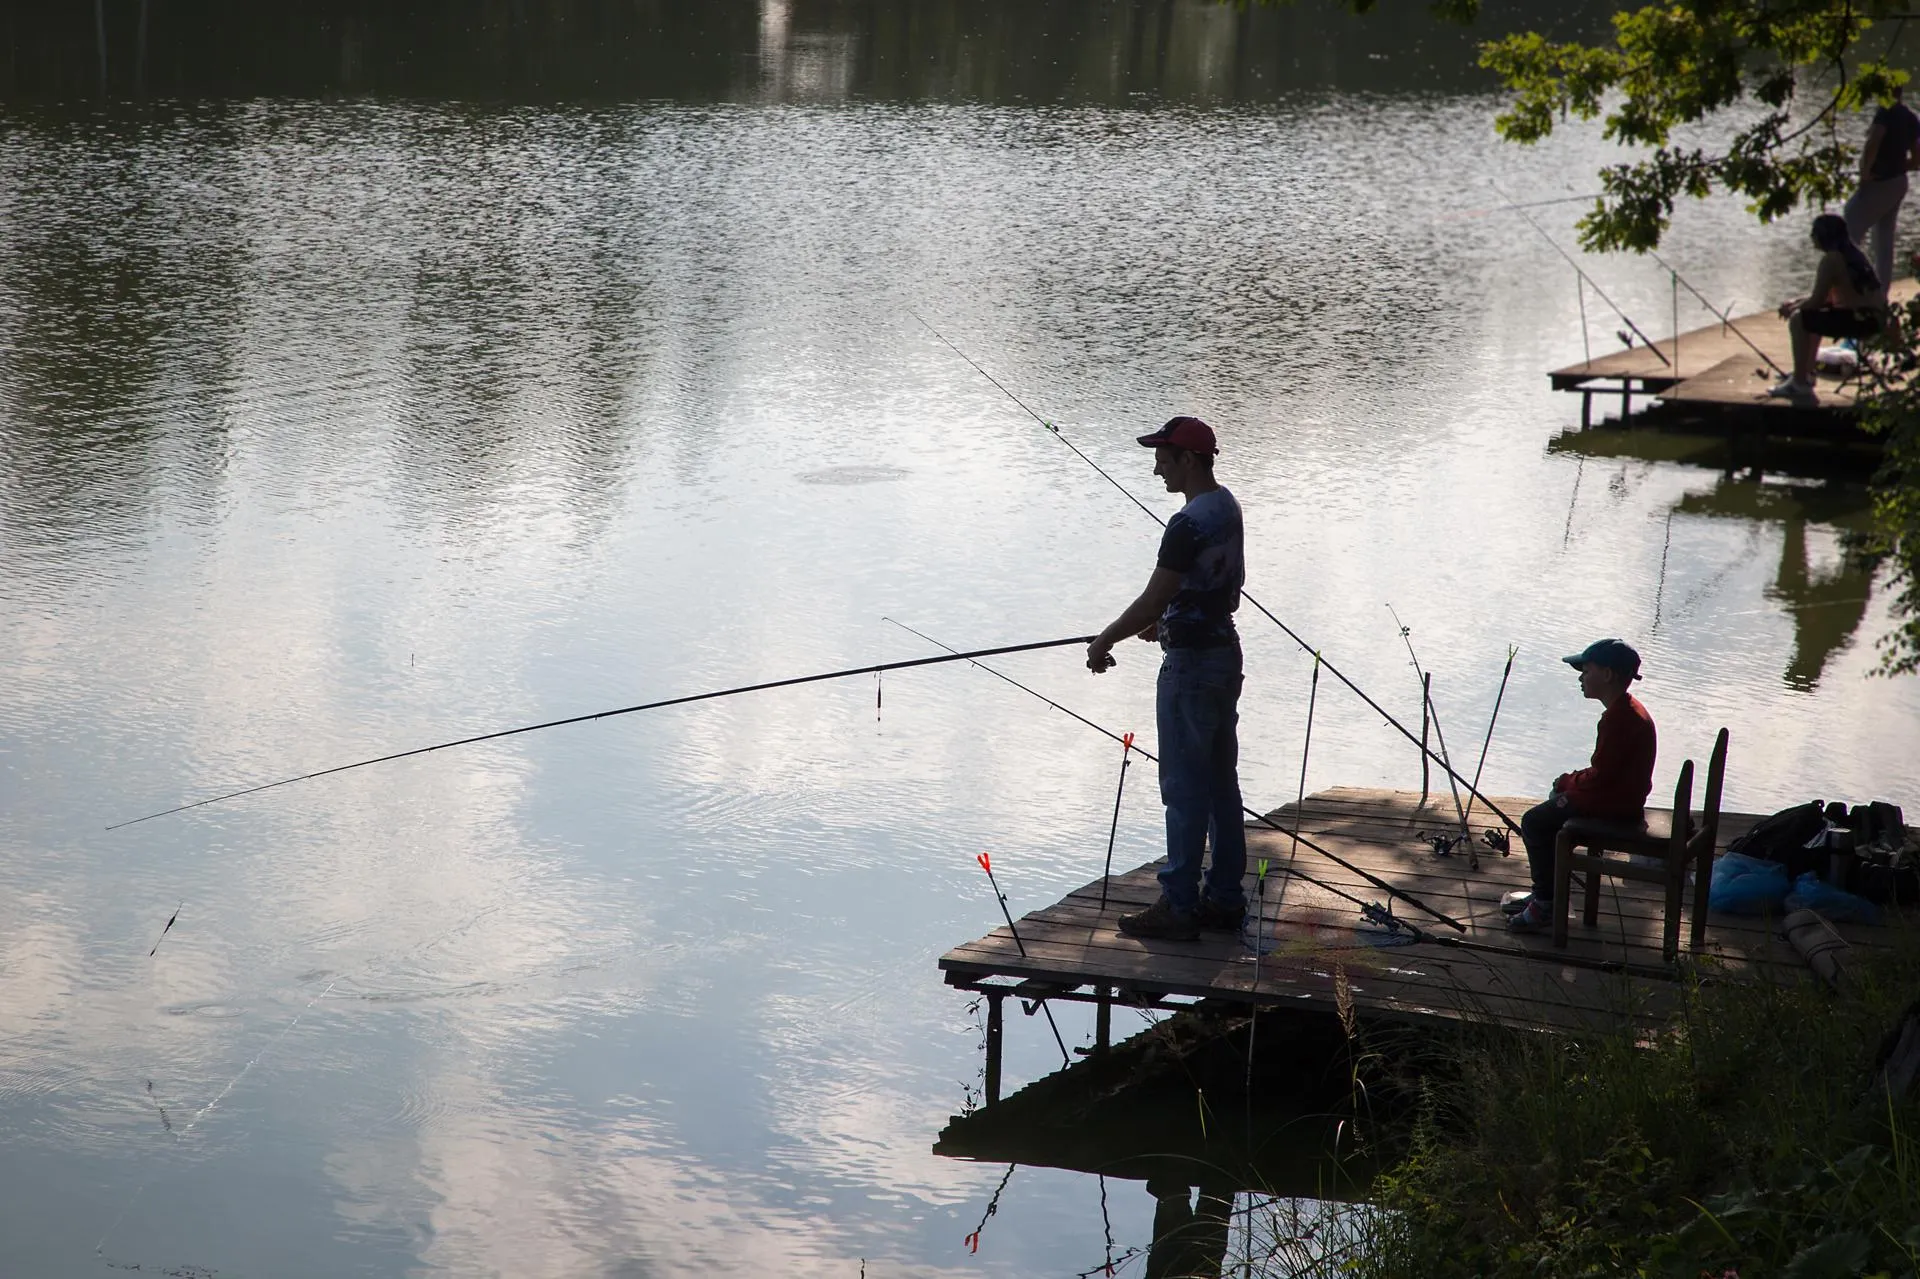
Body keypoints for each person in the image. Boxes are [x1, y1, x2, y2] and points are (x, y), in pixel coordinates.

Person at [1087, 415, 1247, 942]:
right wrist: (1172, 618)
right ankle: (1224, 900)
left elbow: (1155, 595)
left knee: (1182, 789)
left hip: (1191, 670)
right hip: (1224, 657)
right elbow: (1224, 586)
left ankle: (1178, 906)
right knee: (1221, 783)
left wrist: (1106, 638)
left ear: (1189, 459)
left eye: (1163, 456)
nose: (1156, 467)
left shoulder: (1186, 524)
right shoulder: (1226, 507)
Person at [1506, 638, 1657, 935]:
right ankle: (1546, 895)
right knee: (1553, 808)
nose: (1580, 677)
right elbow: (1605, 772)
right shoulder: (1627, 710)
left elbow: (1601, 777)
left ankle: (1545, 904)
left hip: (1615, 805)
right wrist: (1570, 784)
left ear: (1608, 674)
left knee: (1534, 821)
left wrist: (1566, 783)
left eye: (1586, 670)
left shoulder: (1619, 719)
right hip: (1620, 798)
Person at [1770, 213, 1885, 401]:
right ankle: (1807, 374)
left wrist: (1792, 310)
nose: (1811, 237)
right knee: (1812, 316)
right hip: (1874, 319)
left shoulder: (1831, 260)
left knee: (1799, 319)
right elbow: (1828, 297)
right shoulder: (1852, 253)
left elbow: (1816, 301)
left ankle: (1799, 383)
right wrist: (1795, 302)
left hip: (1860, 321)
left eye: (1814, 233)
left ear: (1824, 236)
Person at [1845, 85, 1920, 291]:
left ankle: (1849, 285)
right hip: (1899, 183)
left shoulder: (1885, 113)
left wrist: (1865, 173)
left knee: (1849, 227)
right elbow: (1916, 158)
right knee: (1884, 238)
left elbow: (1873, 141)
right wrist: (1898, 166)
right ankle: (1880, 291)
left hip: (1879, 183)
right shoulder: (1911, 117)